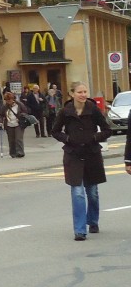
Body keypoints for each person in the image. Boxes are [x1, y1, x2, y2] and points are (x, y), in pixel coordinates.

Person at [50, 81, 110, 241]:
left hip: (92, 154)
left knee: (92, 192)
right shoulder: (65, 111)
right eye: (80, 92)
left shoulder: (93, 110)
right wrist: (68, 138)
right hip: (73, 154)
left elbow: (107, 129)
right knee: (77, 192)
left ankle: (92, 221)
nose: (83, 95)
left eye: (85, 91)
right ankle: (80, 230)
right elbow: (55, 131)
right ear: (71, 94)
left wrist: (94, 138)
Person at [0, 90, 27, 158]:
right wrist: (0, 122)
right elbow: (0, 115)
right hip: (9, 124)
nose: (8, 101)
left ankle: (20, 152)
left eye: (9, 100)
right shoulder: (4, 106)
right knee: (11, 140)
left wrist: (21, 115)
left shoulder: (19, 104)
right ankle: (13, 153)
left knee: (18, 138)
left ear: (13, 99)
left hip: (18, 124)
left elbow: (26, 111)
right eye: (7, 100)